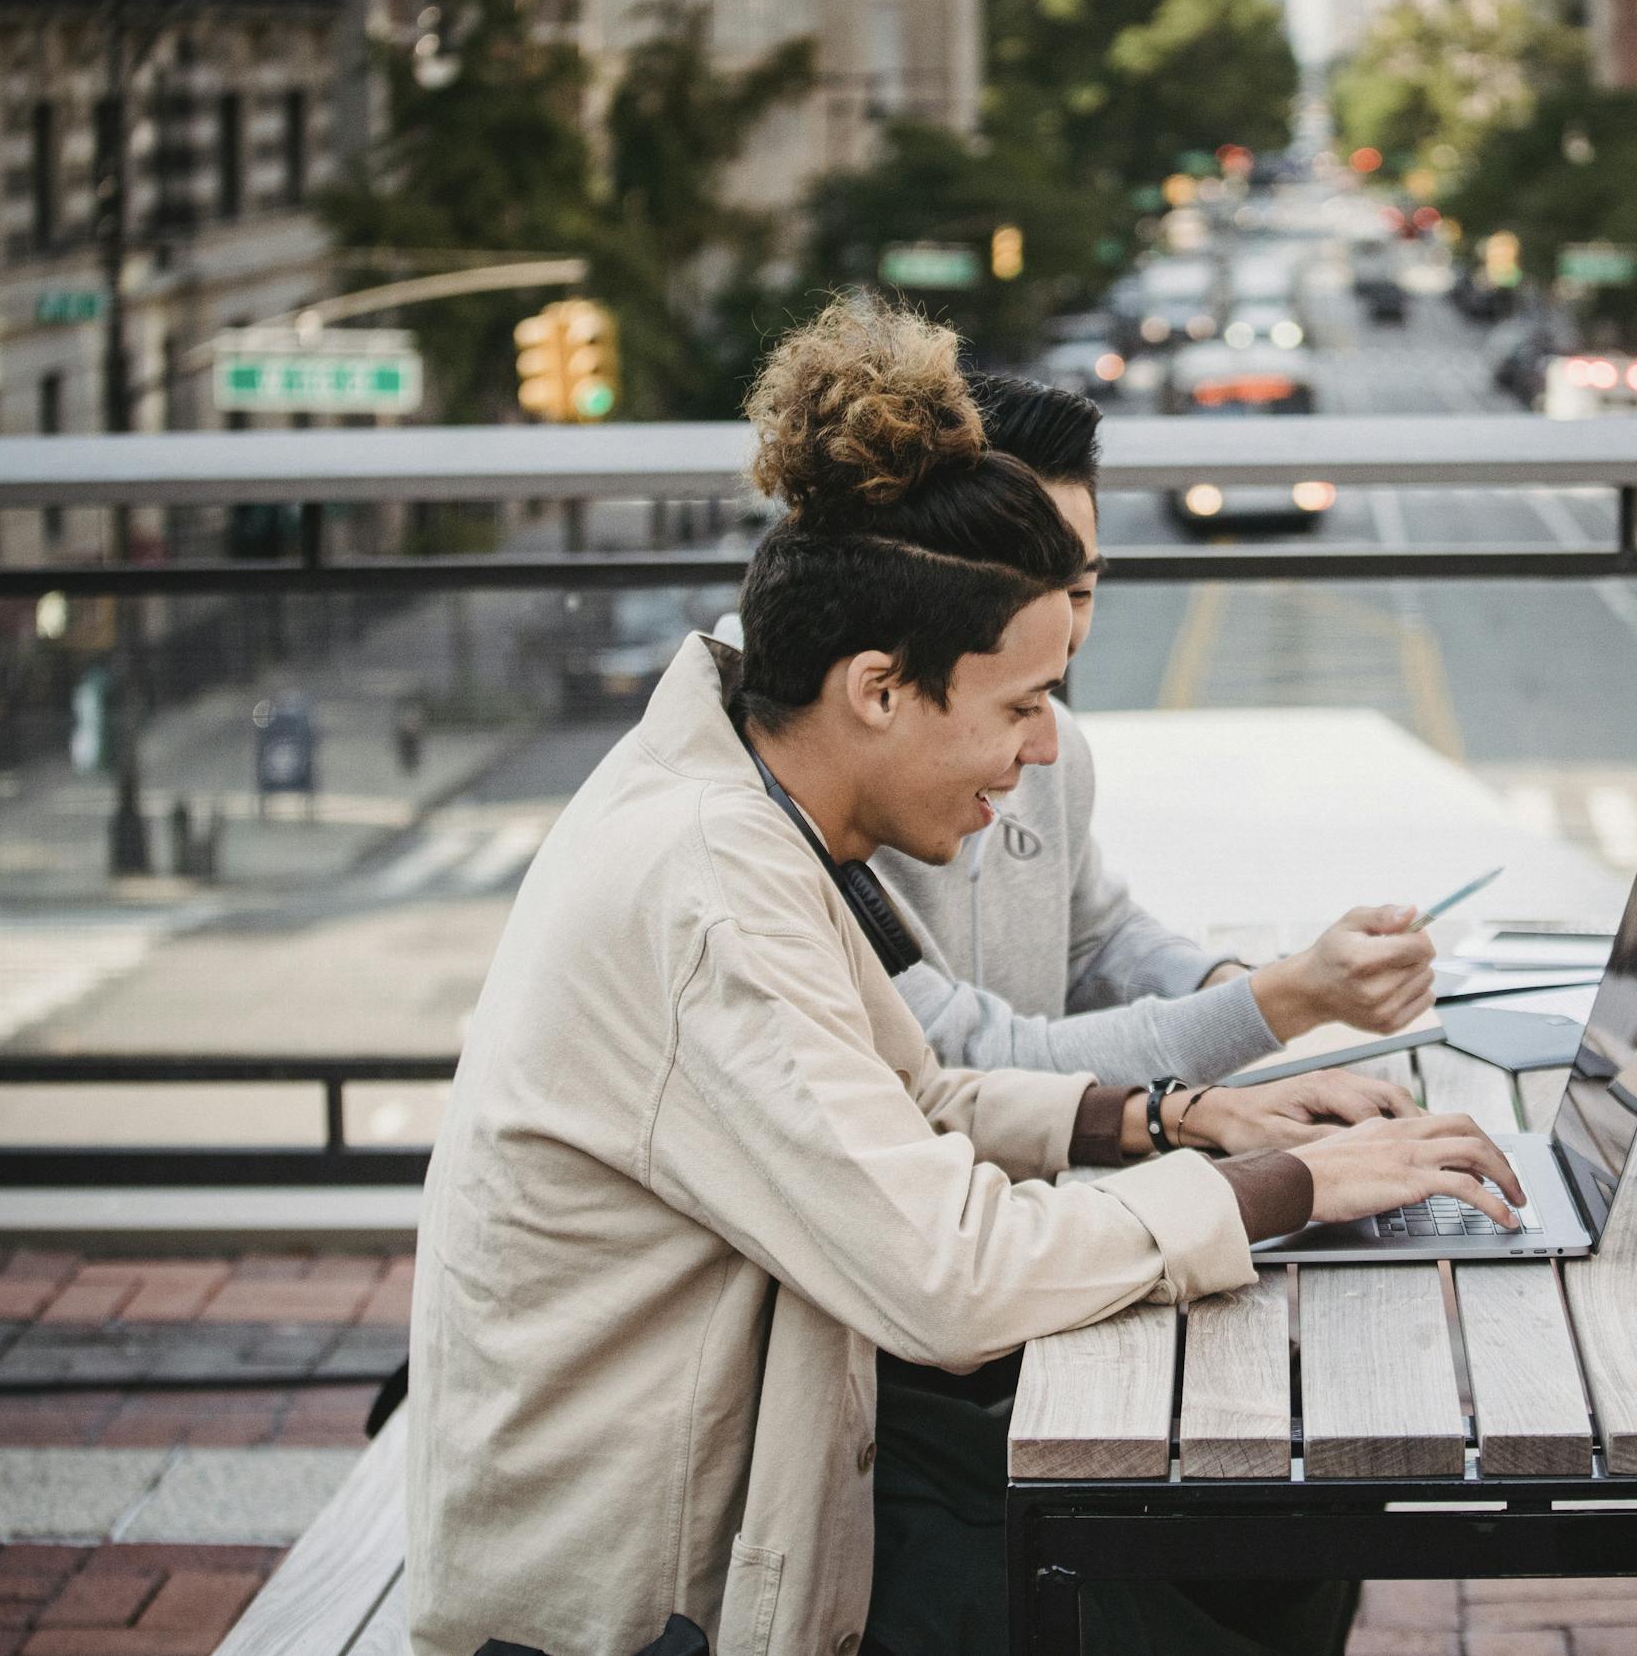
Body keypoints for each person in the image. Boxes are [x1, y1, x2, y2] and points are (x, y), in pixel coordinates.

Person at [402, 294, 1525, 1656]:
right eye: (1018, 705)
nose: (1046, 751)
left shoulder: (742, 794)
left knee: (1267, 1553)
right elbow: (946, 1277)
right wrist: (1283, 1190)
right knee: (1216, 1575)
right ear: (879, 688)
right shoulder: (709, 889)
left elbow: (917, 1087)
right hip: (648, 1602)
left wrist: (1178, 1118)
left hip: (790, 1444)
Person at [867, 373, 1440, 1087]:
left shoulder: (1055, 749)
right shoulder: (825, 778)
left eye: (1079, 591)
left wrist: (1225, 988)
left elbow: (1097, 942)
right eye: (1025, 589)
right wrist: (1288, 998)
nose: (1062, 628)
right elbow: (955, 1063)